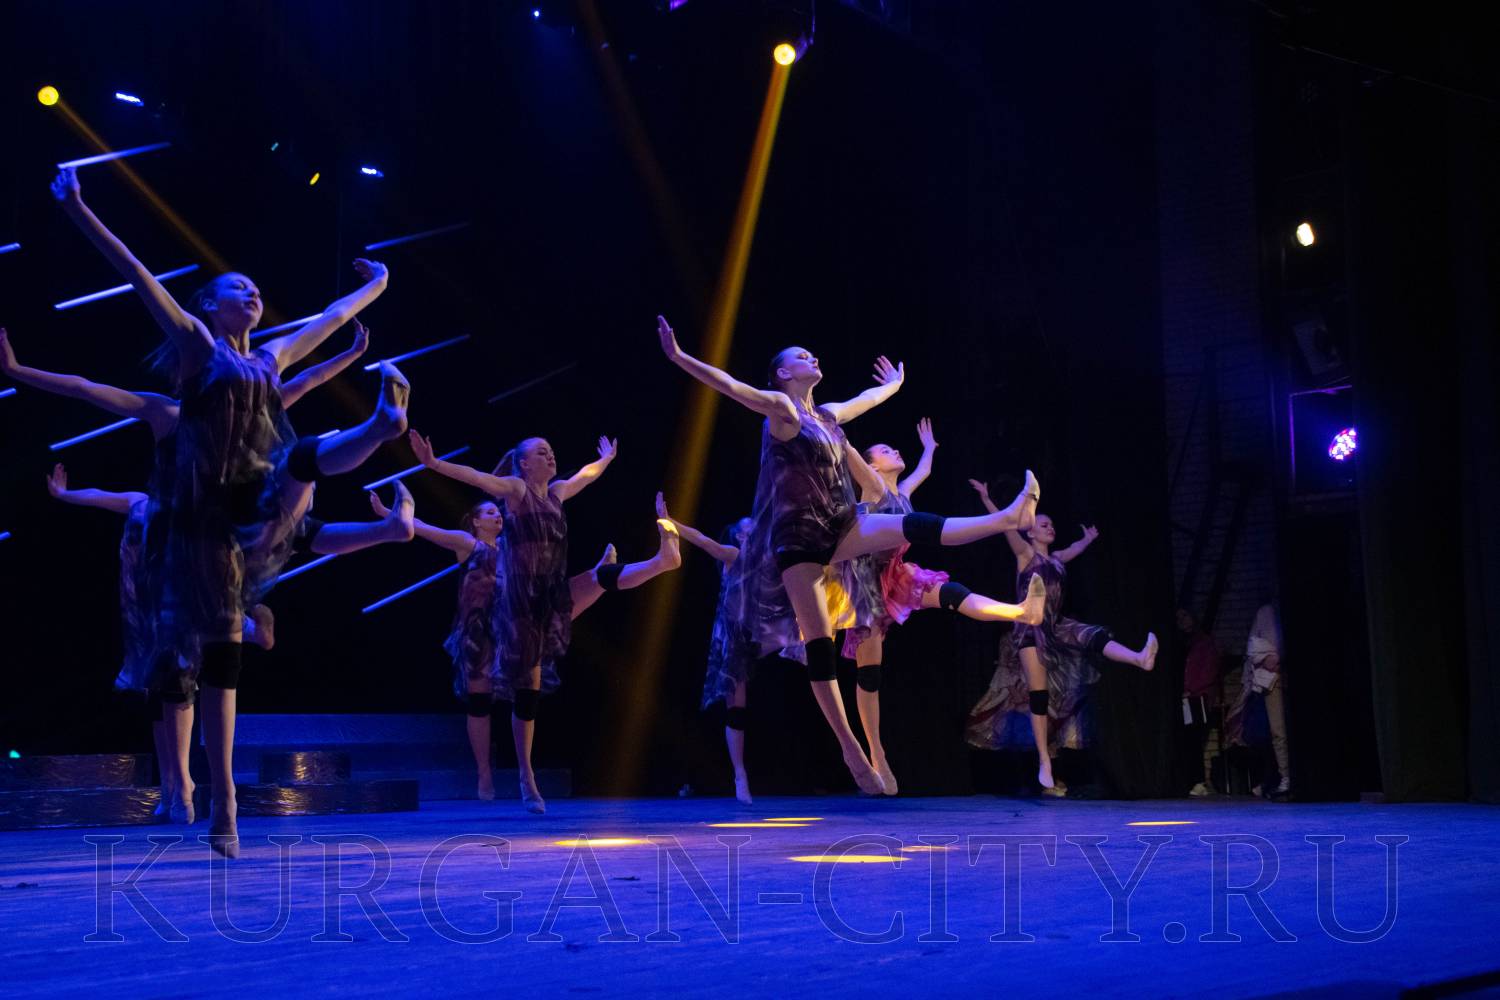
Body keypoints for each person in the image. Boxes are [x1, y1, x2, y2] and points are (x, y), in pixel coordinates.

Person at [54, 165, 404, 856]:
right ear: (211, 306)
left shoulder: (272, 358)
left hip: (259, 497)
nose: (252, 293)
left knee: (300, 461)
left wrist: (380, 282)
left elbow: (333, 318)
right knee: (222, 657)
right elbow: (136, 274)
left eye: (256, 289)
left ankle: (381, 427)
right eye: (237, 288)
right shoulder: (196, 349)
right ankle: (222, 797)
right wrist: (78, 209)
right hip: (204, 524)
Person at [657, 314, 1039, 793]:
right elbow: (732, 387)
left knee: (910, 524)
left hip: (839, 523)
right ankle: (850, 748)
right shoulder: (782, 409)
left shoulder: (828, 416)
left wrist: (893, 386)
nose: (811, 357)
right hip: (797, 540)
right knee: (820, 643)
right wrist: (680, 357)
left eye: (811, 353)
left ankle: (1008, 519)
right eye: (801, 356)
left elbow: (865, 399)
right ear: (783, 374)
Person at [406, 431, 680, 812]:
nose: (550, 456)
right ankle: (525, 775)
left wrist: (605, 460)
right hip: (518, 606)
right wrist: (434, 464)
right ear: (523, 464)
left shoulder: (557, 493)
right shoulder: (516, 491)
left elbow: (585, 476)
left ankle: (661, 562)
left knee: (598, 580)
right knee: (526, 688)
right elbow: (477, 477)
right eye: (540, 452)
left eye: (551, 450)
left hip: (549, 593)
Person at [841, 421, 1046, 794]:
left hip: (897, 575)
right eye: (885, 451)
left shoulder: (902, 493)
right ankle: (876, 752)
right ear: (871, 466)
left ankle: (1022, 611)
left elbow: (922, 472)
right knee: (869, 674)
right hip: (865, 584)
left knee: (951, 593)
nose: (894, 451)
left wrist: (930, 448)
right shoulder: (870, 492)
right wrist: (834, 433)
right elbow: (852, 460)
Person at [965, 478, 1157, 792]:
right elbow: (1005, 528)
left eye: (1052, 525)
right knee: (1038, 695)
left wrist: (1088, 540)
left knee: (1091, 634)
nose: (1050, 527)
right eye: (1044, 524)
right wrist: (988, 499)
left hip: (1055, 625)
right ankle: (1044, 759)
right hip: (1029, 629)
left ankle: (1139, 658)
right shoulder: (1025, 555)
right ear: (1031, 532)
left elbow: (1072, 550)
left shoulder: (1056, 560)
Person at [655, 493, 759, 804]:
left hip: (763, 632)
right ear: (741, 536)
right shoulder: (733, 555)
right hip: (735, 634)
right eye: (749, 529)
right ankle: (740, 774)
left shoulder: (768, 560)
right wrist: (672, 522)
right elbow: (703, 541)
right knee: (736, 704)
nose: (755, 532)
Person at [1177, 608, 1220, 797]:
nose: (1182, 621)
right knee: (1187, 740)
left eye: (1185, 616)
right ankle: (1190, 779)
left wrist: (1191, 690)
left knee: (1195, 740)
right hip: (1186, 699)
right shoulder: (1182, 644)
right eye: (1178, 618)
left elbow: (1208, 672)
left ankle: (1199, 781)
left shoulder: (1204, 643)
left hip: (1198, 698)